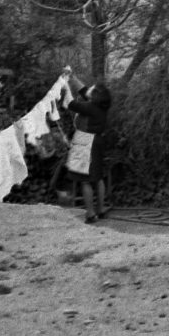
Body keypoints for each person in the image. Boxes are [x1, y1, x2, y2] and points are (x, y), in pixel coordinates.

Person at [61, 69, 113, 224]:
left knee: (85, 180)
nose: (89, 90)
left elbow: (69, 103)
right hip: (97, 142)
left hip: (85, 142)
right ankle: (101, 209)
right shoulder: (100, 106)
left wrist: (64, 85)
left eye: (93, 91)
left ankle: (90, 214)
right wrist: (72, 77)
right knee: (97, 178)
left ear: (95, 97)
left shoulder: (90, 107)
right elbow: (84, 91)